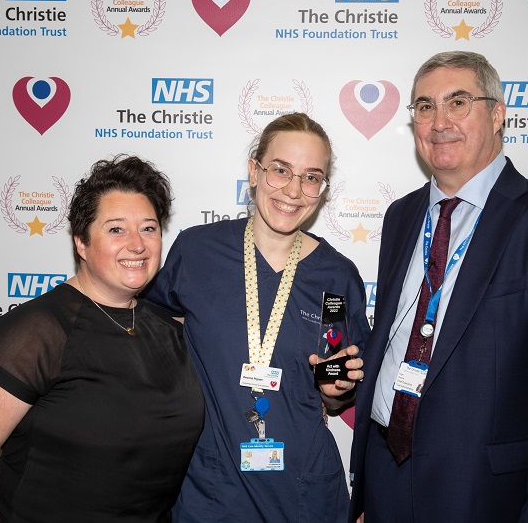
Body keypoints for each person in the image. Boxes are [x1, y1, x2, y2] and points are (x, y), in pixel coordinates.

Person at [349, 51, 528, 522]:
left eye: (458, 102)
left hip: (482, 494)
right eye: (424, 107)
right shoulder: (401, 216)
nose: (439, 121)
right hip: (384, 472)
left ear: (498, 113)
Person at [0, 155, 204, 522]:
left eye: (149, 228)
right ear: (81, 242)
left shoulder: (169, 329)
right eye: (116, 230)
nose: (137, 244)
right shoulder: (36, 331)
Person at [145, 112, 370, 522]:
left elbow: (336, 392)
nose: (293, 190)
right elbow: (152, 334)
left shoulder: (336, 276)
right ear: (254, 171)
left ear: (322, 189)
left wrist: (337, 391)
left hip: (305, 491)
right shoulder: (197, 252)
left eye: (311, 177)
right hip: (213, 490)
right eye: (280, 170)